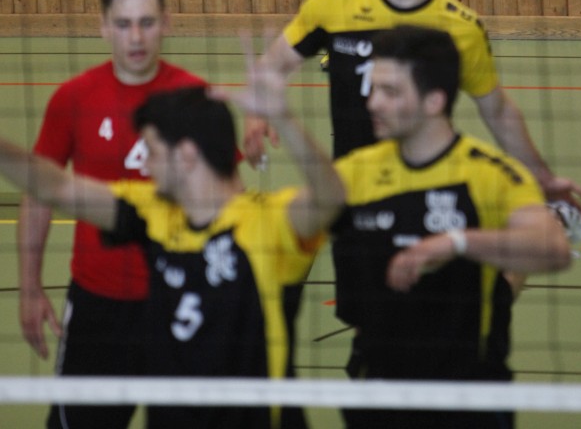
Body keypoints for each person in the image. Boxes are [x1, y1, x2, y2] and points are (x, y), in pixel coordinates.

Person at [2, 73, 345, 428]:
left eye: (152, 151)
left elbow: (331, 198)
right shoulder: (154, 213)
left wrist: (284, 118)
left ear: (186, 155)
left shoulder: (266, 222)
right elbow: (57, 187)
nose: (145, 165)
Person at [244, 0, 581, 207]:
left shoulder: (460, 28)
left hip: (429, 193)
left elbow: (498, 112)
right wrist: (256, 113)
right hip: (352, 189)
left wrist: (543, 179)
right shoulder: (336, 2)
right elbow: (272, 66)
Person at [331, 25, 572, 429]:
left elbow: (553, 248)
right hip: (378, 392)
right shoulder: (353, 173)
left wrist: (456, 242)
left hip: (468, 396)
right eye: (373, 89)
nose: (372, 103)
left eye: (390, 92)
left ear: (434, 100)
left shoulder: (492, 173)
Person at [18, 0, 209, 429]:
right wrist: (30, 288)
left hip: (179, 303)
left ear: (167, 22)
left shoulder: (193, 99)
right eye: (123, 24)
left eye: (146, 22)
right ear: (103, 26)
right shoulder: (73, 99)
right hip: (96, 307)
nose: (135, 37)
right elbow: (40, 195)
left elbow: (226, 203)